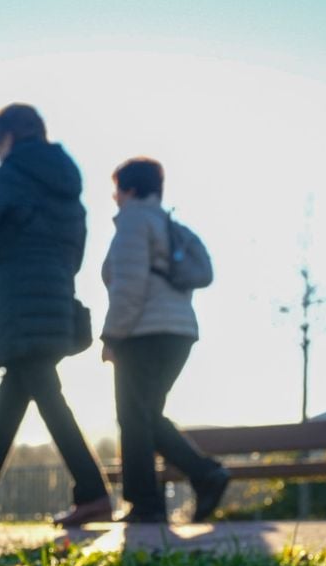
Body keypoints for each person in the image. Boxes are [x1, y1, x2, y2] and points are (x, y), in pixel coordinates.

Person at [0, 104, 113, 527]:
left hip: (19, 300)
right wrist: (53, 275)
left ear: (8, 138)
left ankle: (95, 493)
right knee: (17, 394)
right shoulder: (69, 186)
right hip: (56, 297)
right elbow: (77, 250)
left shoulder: (8, 176)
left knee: (44, 393)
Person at [99, 157, 230, 524]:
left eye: (117, 189)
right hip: (178, 332)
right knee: (146, 416)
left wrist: (112, 335)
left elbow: (129, 286)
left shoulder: (133, 222)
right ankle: (206, 475)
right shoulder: (166, 224)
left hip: (143, 333)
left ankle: (146, 504)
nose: (115, 197)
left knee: (133, 417)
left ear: (129, 189)